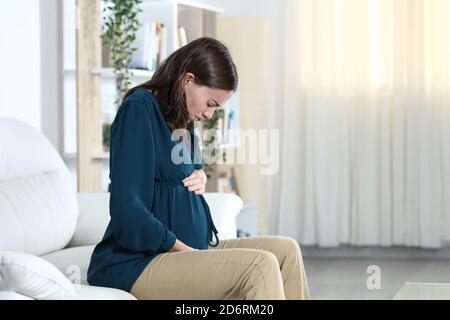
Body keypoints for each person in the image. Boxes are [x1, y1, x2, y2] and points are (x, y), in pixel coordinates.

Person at [87, 37, 309, 300]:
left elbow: (186, 171)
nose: (209, 115)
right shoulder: (139, 110)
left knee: (286, 251)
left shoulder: (181, 117)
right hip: (139, 262)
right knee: (259, 267)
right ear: (188, 80)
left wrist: (200, 176)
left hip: (190, 250)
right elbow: (128, 210)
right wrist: (187, 252)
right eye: (211, 104)